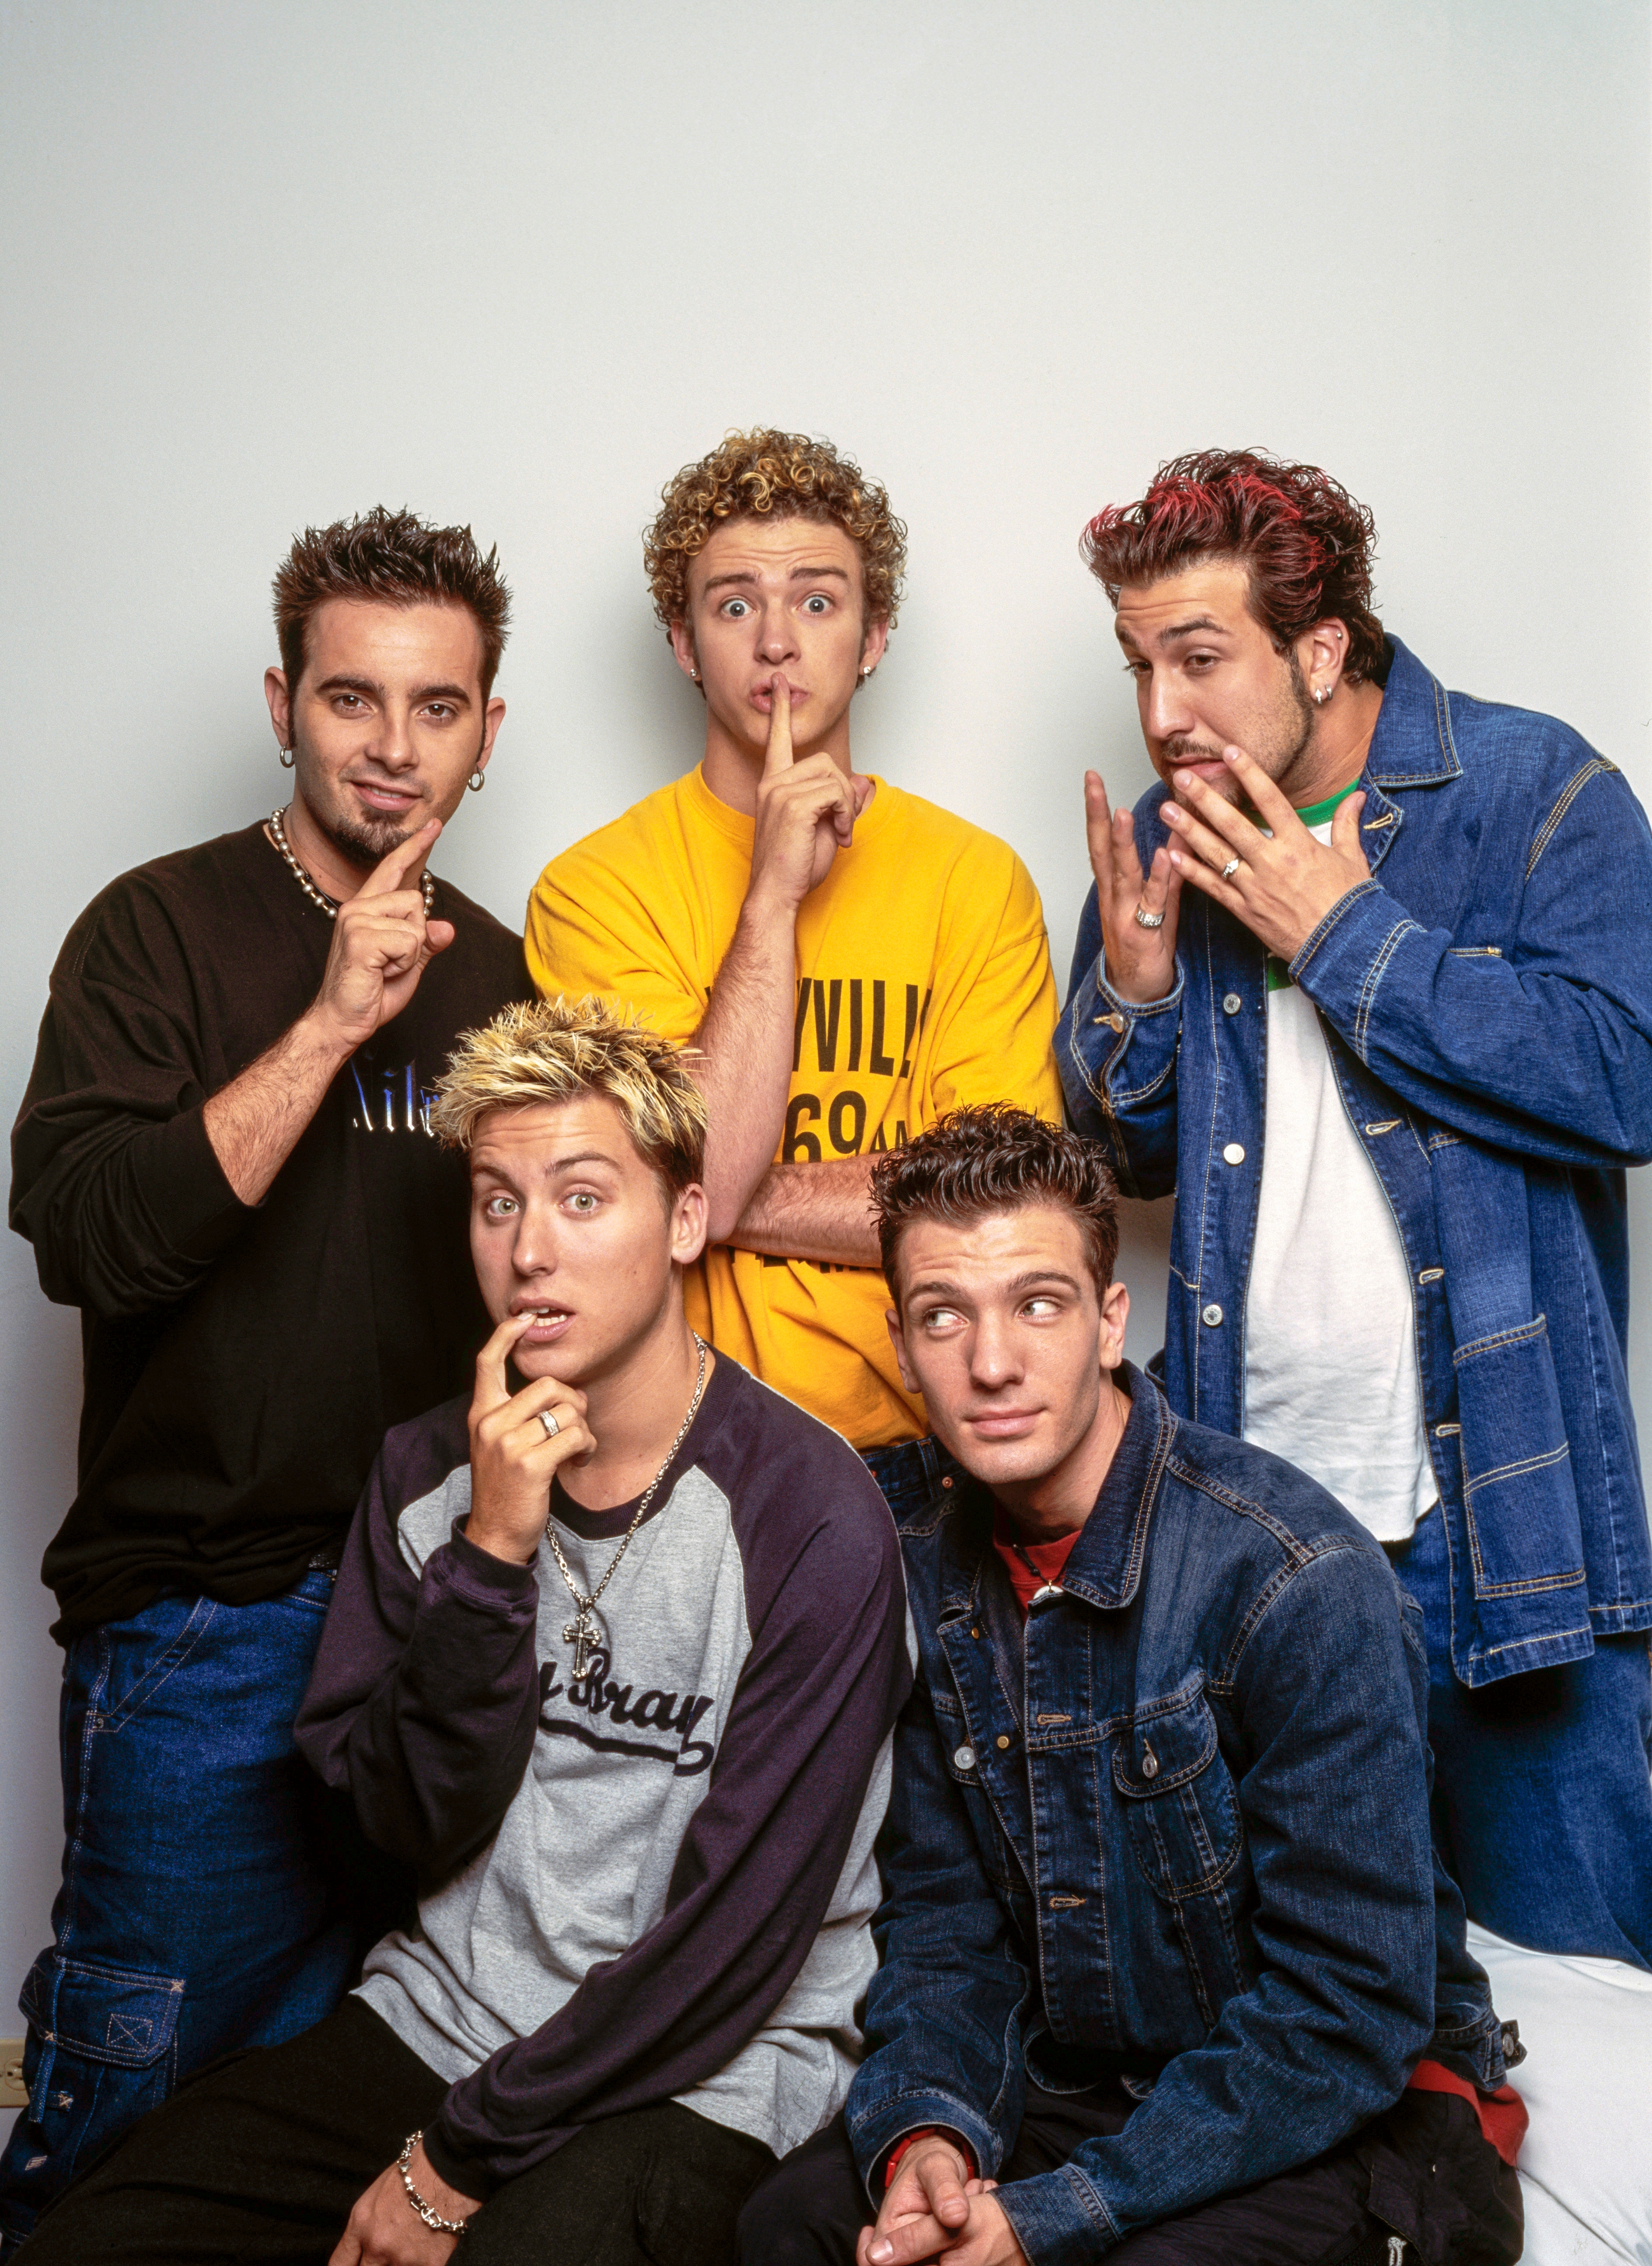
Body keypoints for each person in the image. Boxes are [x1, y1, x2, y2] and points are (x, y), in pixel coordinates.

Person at [17, 999, 911, 2266]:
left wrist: (455, 2162)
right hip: (447, 2019)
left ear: (689, 1219)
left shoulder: (813, 1513)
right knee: (98, 2239)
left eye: (583, 1198)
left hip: (708, 2065)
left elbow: (737, 1941)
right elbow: (399, 1827)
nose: (531, 1249)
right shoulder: (429, 1474)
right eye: (497, 1201)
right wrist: (490, 1560)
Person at [2, 508, 529, 2249]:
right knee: (136, 2102)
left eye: (435, 706)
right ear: (281, 702)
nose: (393, 747)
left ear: (488, 724)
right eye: (351, 700)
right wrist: (324, 1026)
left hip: (415, 1620)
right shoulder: (156, 932)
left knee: (329, 2110)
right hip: (204, 1634)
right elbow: (89, 1238)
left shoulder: (505, 972)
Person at [739, 1106, 1525, 2266]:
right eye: (943, 1317)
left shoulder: (1297, 1579)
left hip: (1355, 2109)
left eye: (1037, 1305)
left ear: (1112, 1323)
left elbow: (1350, 2014)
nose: (992, 1363)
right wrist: (930, 2142)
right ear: (902, 1351)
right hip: (1100, 2079)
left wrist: (1049, 2217)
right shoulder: (916, 1568)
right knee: (793, 2229)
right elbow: (947, 1935)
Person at [1053, 448, 1652, 1971]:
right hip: (1261, 1527)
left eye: (1198, 658)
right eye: (1138, 665)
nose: (1160, 712)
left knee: (1577, 1988)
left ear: (1319, 648)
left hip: (1502, 1527)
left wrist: (1343, 933)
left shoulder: (1529, 793)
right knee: (1307, 2002)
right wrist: (1128, 996)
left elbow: (1630, 1076)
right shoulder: (1169, 830)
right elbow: (1133, 1159)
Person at [525, 428, 1062, 1519]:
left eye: (817, 602)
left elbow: (990, 1209)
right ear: (682, 641)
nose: (775, 641)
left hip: (925, 1460)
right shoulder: (591, 891)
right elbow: (682, 1190)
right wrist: (771, 894)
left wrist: (704, 1195)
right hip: (675, 1462)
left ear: (873, 636)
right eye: (733, 606)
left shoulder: (974, 880)